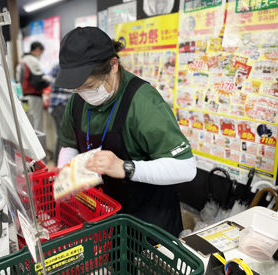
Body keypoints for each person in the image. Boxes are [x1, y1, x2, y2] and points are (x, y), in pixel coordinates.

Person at [55, 27, 196, 237]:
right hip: (104, 213)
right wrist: (67, 175)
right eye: (77, 89)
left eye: (90, 86)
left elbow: (186, 168)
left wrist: (126, 168)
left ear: (113, 65)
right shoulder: (78, 100)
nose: (83, 94)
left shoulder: (143, 102)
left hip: (149, 219)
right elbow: (70, 144)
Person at [17, 41, 50, 132]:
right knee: (36, 122)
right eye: (41, 52)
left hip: (23, 97)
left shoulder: (23, 60)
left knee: (27, 120)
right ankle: (38, 145)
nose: (41, 55)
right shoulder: (32, 61)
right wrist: (48, 82)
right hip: (33, 97)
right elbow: (37, 81)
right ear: (37, 50)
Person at [48, 64, 71, 164]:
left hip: (55, 104)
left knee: (60, 135)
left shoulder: (56, 66)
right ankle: (59, 164)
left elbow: (47, 77)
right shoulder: (66, 66)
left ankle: (57, 163)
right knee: (64, 136)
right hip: (62, 103)